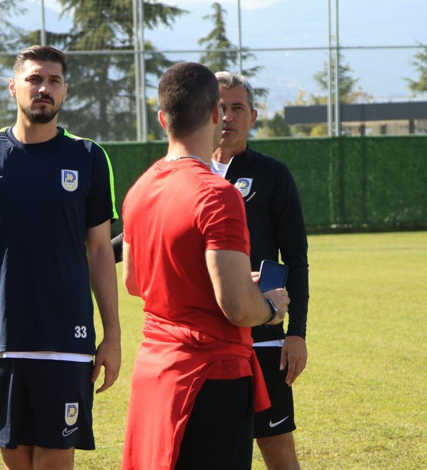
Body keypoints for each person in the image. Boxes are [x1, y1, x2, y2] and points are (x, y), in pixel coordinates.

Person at [0, 45, 121, 470]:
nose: (44, 88)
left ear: (64, 92)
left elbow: (100, 251)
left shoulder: (89, 157)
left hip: (67, 339)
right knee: (17, 459)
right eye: (34, 79)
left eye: (54, 81)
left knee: (55, 461)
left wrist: (112, 335)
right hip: (1, 338)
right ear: (13, 87)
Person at [120, 61, 290, 470]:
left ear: (163, 118)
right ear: (216, 113)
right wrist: (270, 307)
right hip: (210, 378)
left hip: (155, 372)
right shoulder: (217, 193)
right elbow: (236, 307)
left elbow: (134, 281)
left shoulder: (138, 190)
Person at [212, 71, 310, 470]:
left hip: (263, 340)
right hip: (207, 341)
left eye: (237, 108)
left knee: (279, 455)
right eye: (218, 107)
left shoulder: (272, 175)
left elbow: (296, 259)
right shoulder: (185, 173)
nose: (226, 117)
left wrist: (296, 333)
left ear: (253, 117)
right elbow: (136, 234)